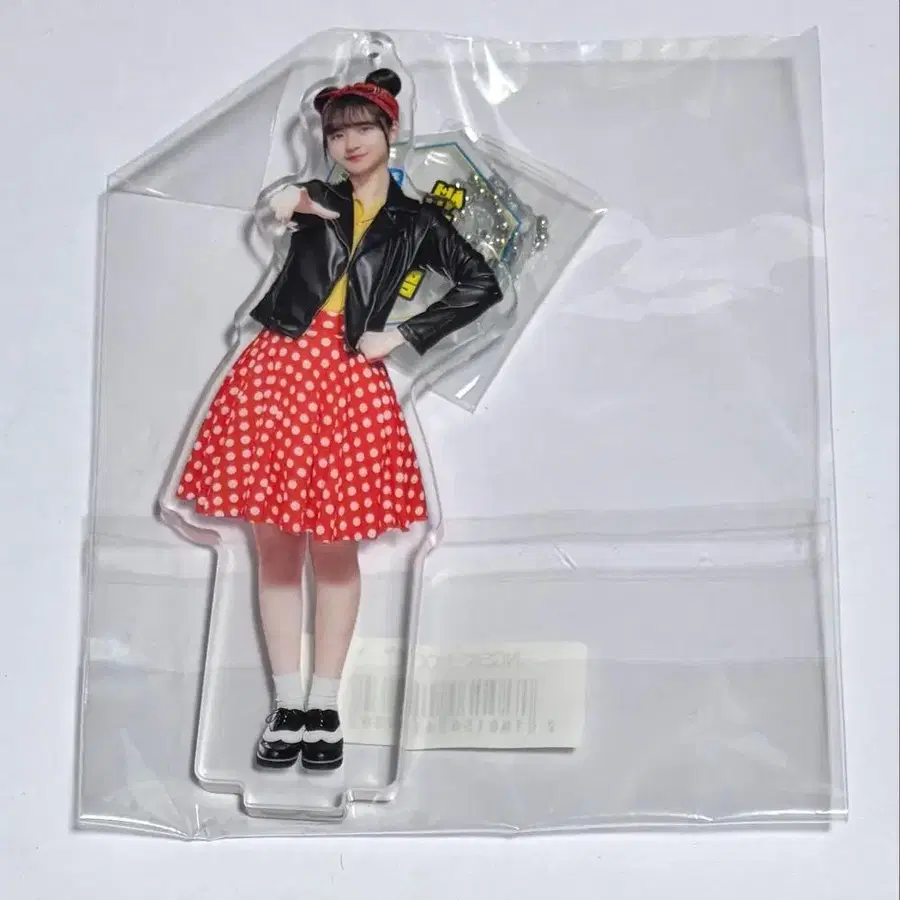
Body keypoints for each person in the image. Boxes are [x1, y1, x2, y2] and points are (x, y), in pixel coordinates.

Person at [173, 68, 503, 772]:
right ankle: (287, 704)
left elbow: (482, 283)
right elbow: (282, 208)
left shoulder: (417, 222)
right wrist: (284, 204)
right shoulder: (317, 198)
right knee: (274, 546)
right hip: (278, 368)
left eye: (362, 128)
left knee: (335, 548)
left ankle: (324, 705)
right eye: (336, 132)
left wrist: (405, 334)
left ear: (390, 131)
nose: (349, 143)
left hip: (350, 378)